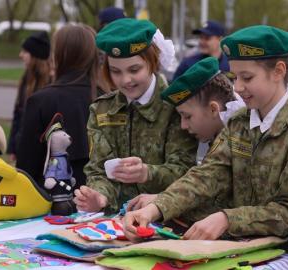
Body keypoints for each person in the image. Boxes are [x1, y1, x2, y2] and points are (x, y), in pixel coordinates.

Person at [123, 25, 288, 241]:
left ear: (278, 71)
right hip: (236, 245)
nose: (238, 87)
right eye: (235, 77)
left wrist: (227, 219)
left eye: (247, 77)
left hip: (282, 252)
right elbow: (208, 175)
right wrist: (155, 208)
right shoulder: (239, 122)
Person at [73, 18, 198, 215]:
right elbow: (98, 169)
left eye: (134, 70)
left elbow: (187, 172)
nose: (125, 80)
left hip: (167, 220)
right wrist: (100, 196)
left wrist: (147, 173)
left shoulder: (176, 108)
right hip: (114, 223)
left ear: (152, 62)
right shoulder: (102, 109)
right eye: (115, 71)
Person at [127, 56, 245, 212]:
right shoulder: (222, 134)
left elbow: (208, 188)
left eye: (187, 116)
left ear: (213, 109)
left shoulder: (241, 137)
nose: (183, 125)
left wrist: (160, 202)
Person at [16, 24, 99, 189]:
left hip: (53, 200)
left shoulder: (40, 100)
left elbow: (27, 168)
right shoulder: (107, 96)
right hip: (102, 198)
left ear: (58, 55)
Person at [7, 31, 52, 162]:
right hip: (23, 147)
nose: (20, 55)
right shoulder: (26, 78)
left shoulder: (51, 83)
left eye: (25, 52)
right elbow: (18, 114)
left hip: (41, 153)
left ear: (36, 56)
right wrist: (13, 147)